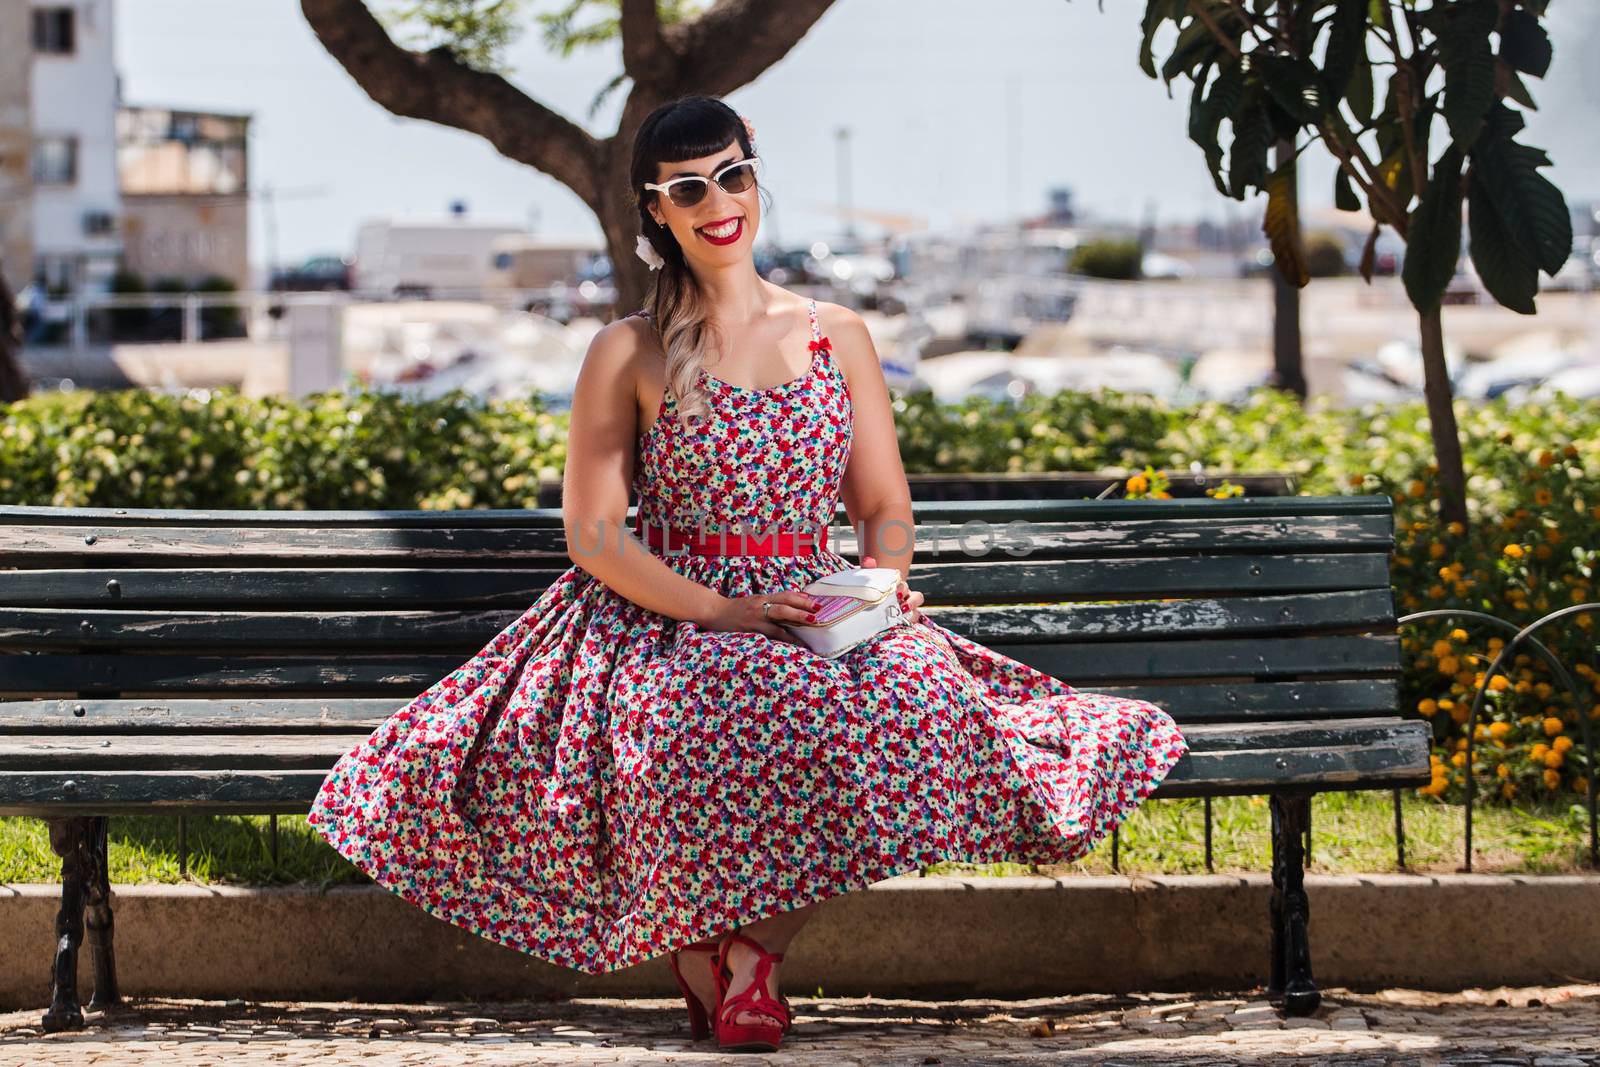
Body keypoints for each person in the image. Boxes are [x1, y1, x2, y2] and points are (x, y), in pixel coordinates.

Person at [306, 94, 1190, 1053]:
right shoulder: (628, 350)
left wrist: (878, 592)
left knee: (917, 704)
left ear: (754, 172)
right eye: (690, 188)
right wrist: (724, 609)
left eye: (732, 176)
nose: (718, 201)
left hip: (822, 604)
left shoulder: (836, 334)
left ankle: (738, 959)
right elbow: (597, 537)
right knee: (719, 711)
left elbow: (883, 508)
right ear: (657, 208)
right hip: (669, 609)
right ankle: (724, 964)